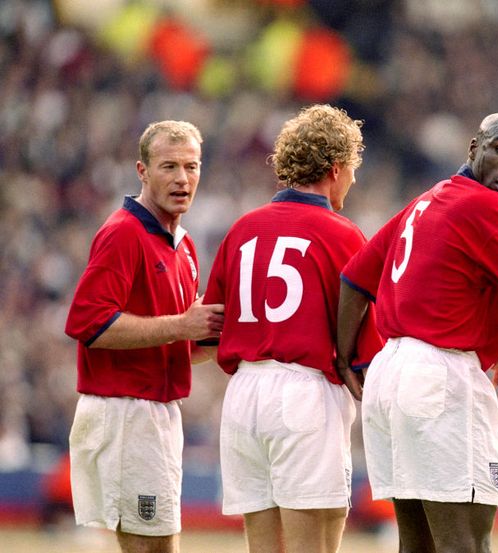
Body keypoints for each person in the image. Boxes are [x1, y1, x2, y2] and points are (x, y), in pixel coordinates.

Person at [336, 112, 498, 553]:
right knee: (467, 544)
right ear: (473, 148)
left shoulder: (427, 199)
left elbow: (355, 279)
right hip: (442, 376)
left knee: (416, 544)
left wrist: (346, 360)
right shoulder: (488, 207)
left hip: (390, 374)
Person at [202, 104, 382, 553]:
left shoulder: (242, 229)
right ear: (336, 168)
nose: (354, 181)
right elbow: (364, 345)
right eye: (353, 170)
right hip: (304, 395)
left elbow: (213, 324)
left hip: (243, 397)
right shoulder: (343, 235)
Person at [64, 120, 225, 553]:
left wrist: (231, 338)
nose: (182, 178)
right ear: (142, 171)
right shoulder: (123, 233)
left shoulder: (183, 245)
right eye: (168, 166)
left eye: (191, 167)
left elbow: (181, 346)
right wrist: (181, 325)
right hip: (125, 414)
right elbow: (89, 325)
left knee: (159, 545)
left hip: (155, 413)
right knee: (152, 547)